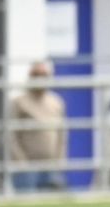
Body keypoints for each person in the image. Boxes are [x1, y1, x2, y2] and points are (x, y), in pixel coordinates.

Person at [8, 60, 67, 191]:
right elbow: (11, 136)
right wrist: (21, 163)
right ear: (30, 76)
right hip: (26, 170)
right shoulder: (19, 102)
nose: (40, 78)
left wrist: (59, 163)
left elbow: (62, 136)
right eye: (36, 74)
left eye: (44, 75)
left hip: (51, 168)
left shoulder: (56, 102)